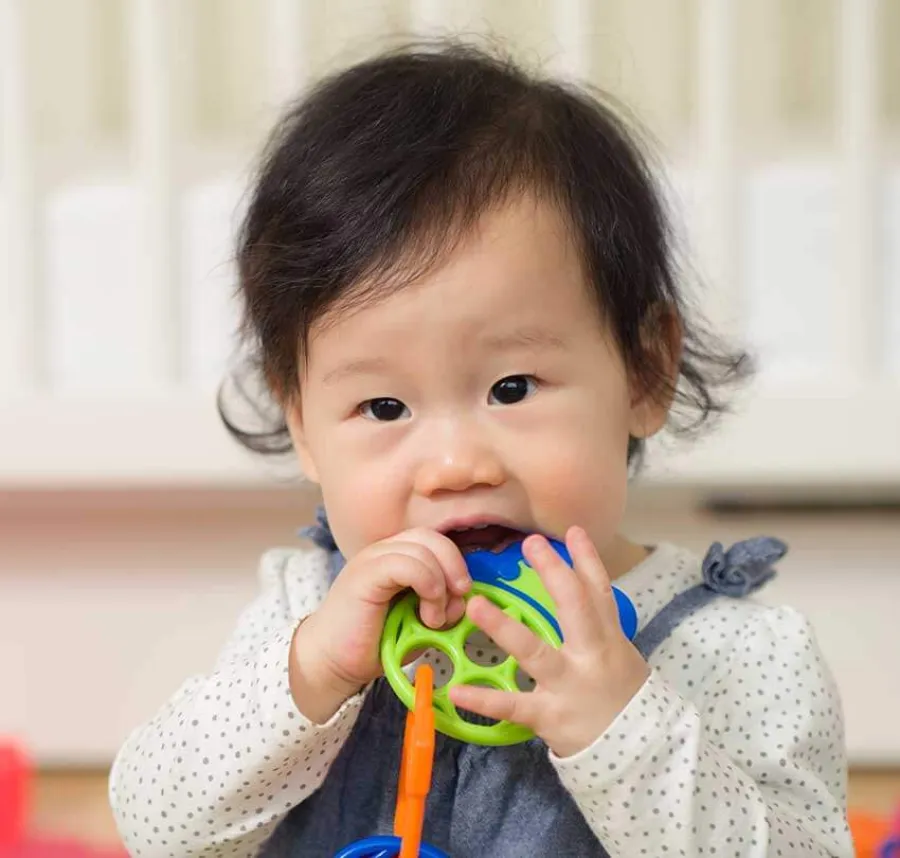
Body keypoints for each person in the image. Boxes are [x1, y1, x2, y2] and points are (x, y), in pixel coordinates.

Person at [109, 42, 853, 858]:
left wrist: (623, 726)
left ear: (645, 371)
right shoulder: (306, 613)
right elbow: (157, 827)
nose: (458, 464)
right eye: (384, 406)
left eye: (511, 389)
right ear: (302, 427)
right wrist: (310, 677)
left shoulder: (735, 654)